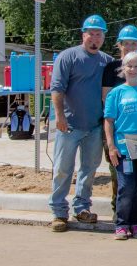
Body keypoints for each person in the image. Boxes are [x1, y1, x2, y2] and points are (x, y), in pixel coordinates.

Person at [49, 15, 114, 233]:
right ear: (83, 34)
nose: (95, 39)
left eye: (99, 34)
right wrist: (60, 117)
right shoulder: (68, 57)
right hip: (69, 126)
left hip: (94, 126)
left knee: (89, 169)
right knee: (63, 169)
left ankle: (82, 207)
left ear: (104, 37)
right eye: (91, 34)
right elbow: (57, 88)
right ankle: (59, 212)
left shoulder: (106, 60)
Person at [102, 25, 137, 211]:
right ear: (119, 45)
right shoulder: (111, 68)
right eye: (126, 43)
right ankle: (118, 213)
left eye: (134, 43)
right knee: (121, 178)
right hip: (120, 134)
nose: (130, 47)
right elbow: (106, 99)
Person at [103, 52, 137, 240]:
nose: (132, 70)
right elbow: (108, 121)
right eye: (129, 66)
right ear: (122, 69)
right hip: (124, 149)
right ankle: (122, 224)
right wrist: (111, 146)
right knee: (126, 187)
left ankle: (135, 223)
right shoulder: (115, 94)